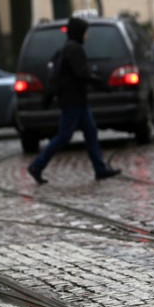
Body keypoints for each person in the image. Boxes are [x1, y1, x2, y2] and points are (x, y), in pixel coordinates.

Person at [26, 16, 121, 185]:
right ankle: (37, 165)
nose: (87, 36)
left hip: (76, 100)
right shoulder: (74, 49)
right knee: (64, 136)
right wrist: (103, 85)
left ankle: (100, 169)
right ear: (79, 32)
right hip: (73, 100)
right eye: (85, 32)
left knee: (90, 132)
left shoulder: (67, 48)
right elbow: (82, 74)